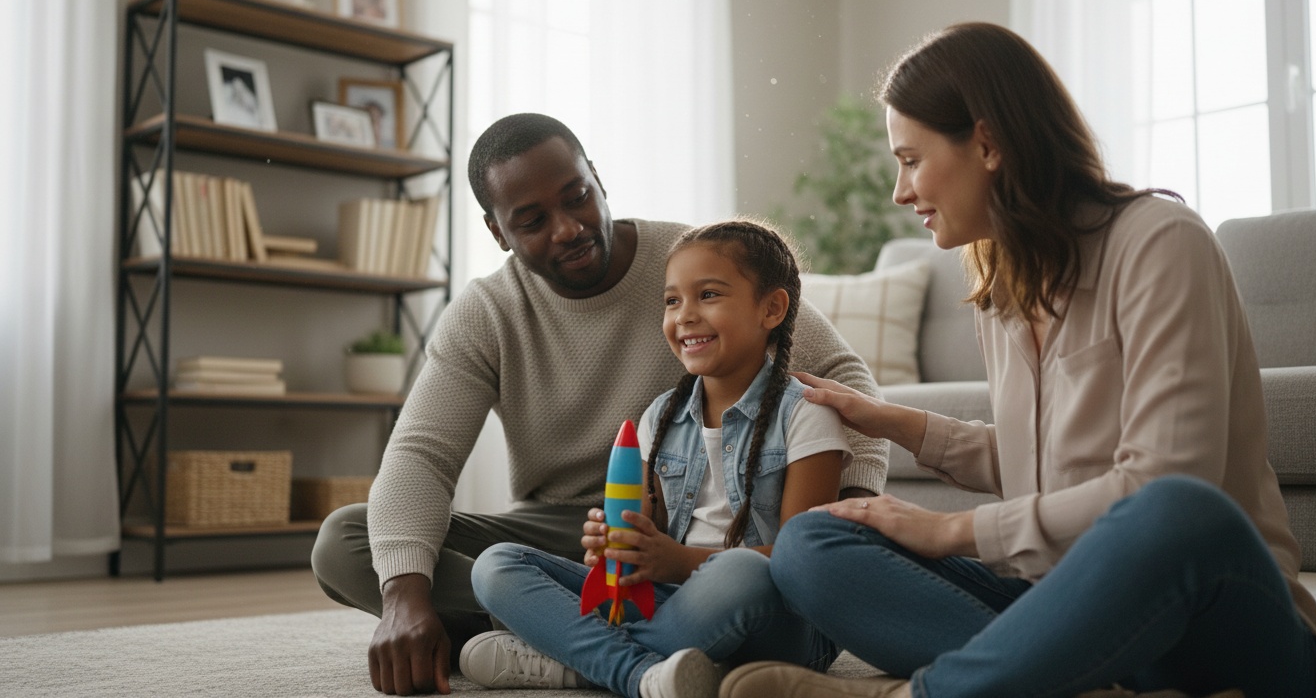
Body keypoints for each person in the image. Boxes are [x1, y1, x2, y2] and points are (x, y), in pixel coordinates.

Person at [719, 23, 1316, 698]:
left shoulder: (1160, 242)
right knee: (811, 546)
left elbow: (1161, 483)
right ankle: (1058, 679)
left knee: (1177, 508)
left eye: (912, 159)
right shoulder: (1000, 284)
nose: (900, 190)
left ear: (988, 144)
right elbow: (1045, 463)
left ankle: (935, 693)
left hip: (1215, 622)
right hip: (1068, 610)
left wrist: (953, 531)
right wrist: (896, 422)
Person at [309, 113, 889, 696]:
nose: (567, 228)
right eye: (532, 221)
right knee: (348, 543)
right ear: (497, 231)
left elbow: (845, 376)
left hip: (677, 533)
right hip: (565, 533)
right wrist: (403, 599)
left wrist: (841, 526)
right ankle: (624, 640)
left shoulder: (691, 264)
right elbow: (420, 455)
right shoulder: (486, 312)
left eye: (577, 197)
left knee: (740, 576)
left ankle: (558, 642)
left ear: (598, 180)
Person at [459, 220, 848, 698]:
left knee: (738, 574)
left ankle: (584, 663)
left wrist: (681, 562)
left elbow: (801, 562)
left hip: (780, 616)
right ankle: (645, 673)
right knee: (496, 565)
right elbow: (649, 539)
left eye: (708, 295)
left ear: (772, 308)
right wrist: (618, 551)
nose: (684, 315)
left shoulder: (806, 414)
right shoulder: (659, 418)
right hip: (673, 604)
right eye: (671, 301)